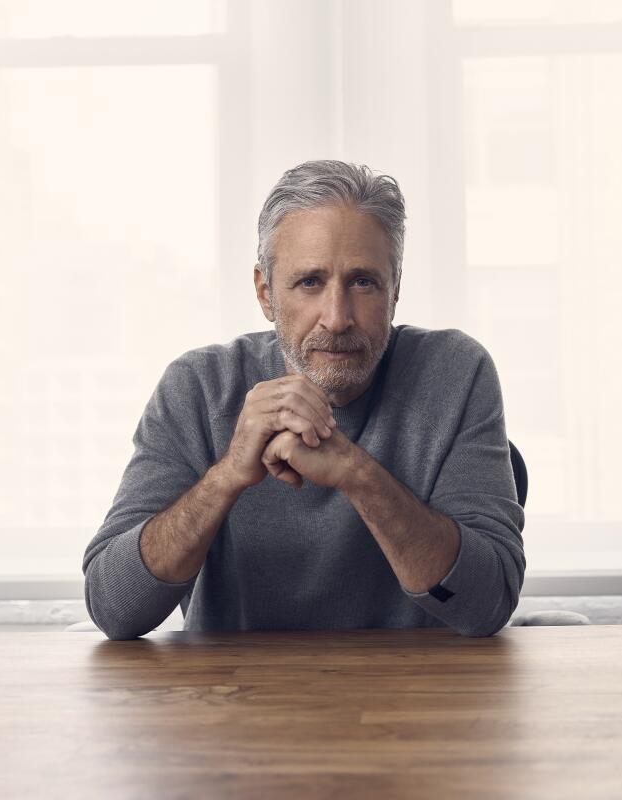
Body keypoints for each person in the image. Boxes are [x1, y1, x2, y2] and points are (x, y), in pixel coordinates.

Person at [82, 160, 525, 639]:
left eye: (363, 282)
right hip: (234, 699)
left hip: (407, 697)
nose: (336, 318)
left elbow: (487, 605)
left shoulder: (455, 373)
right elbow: (113, 608)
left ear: (395, 288)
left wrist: (356, 473)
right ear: (265, 292)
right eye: (310, 282)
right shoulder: (197, 387)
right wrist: (228, 475)